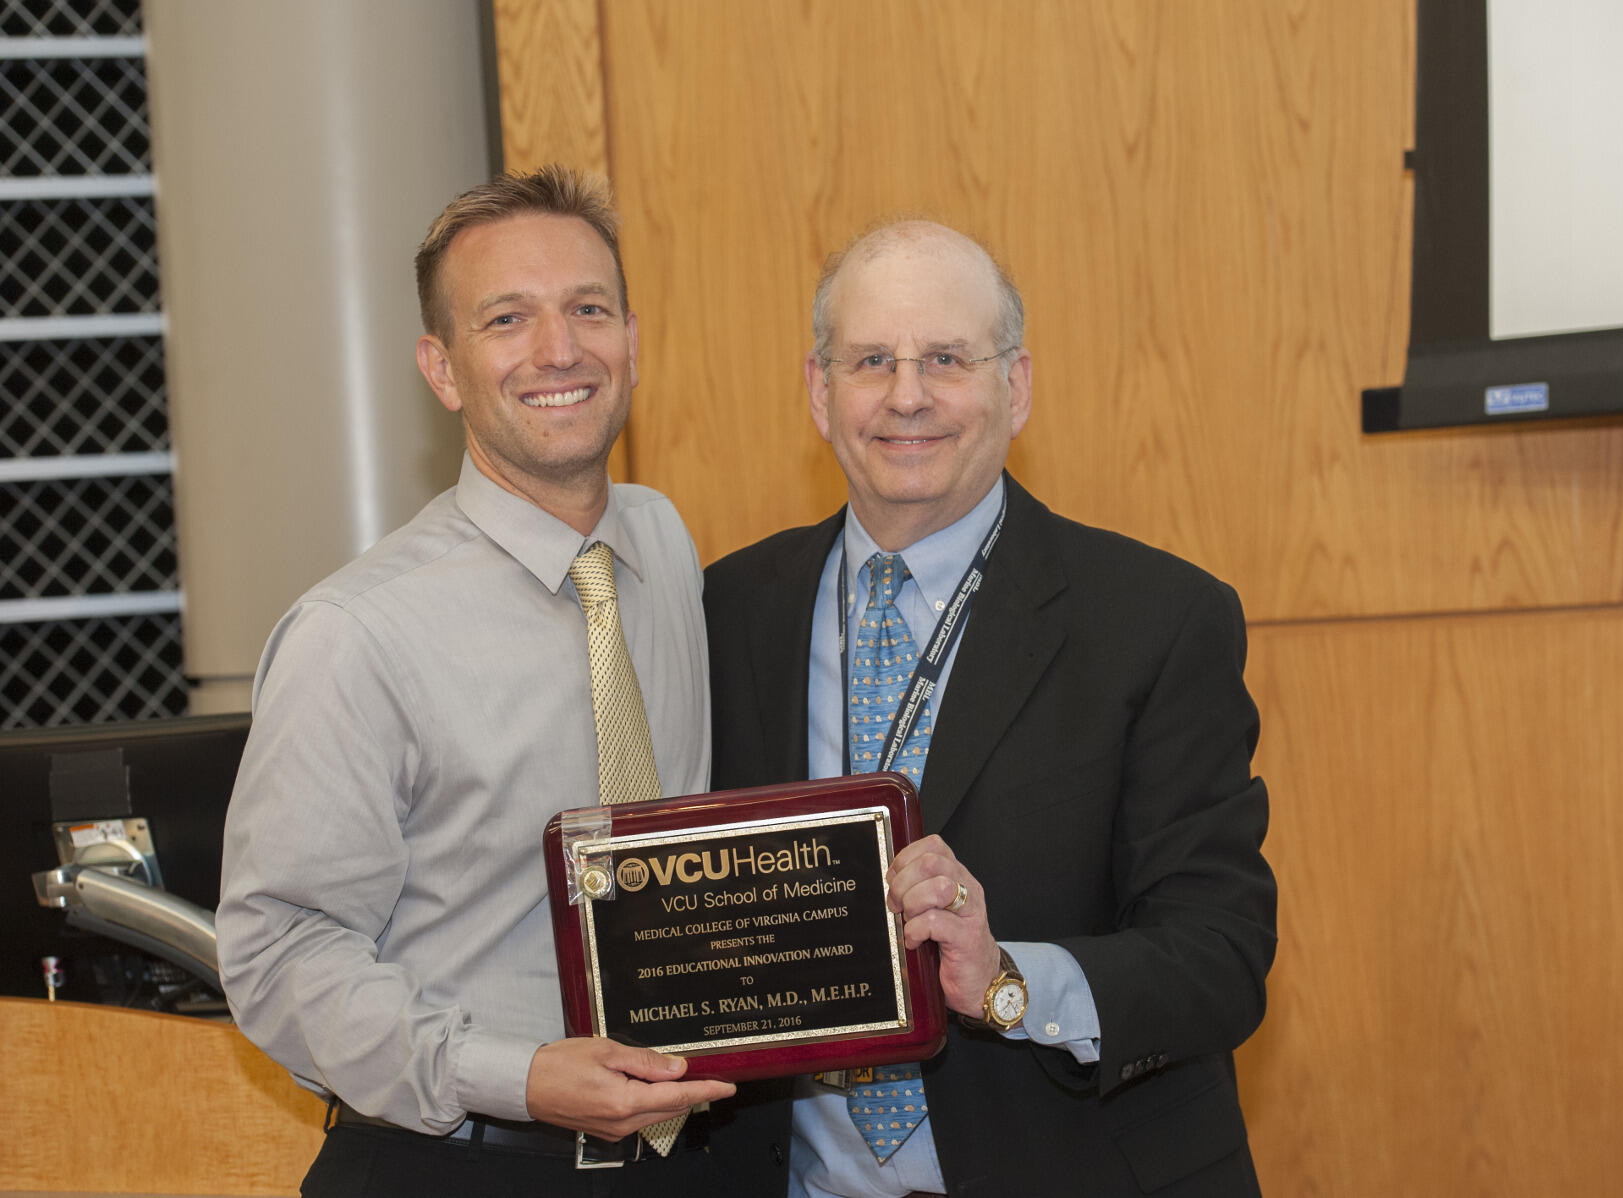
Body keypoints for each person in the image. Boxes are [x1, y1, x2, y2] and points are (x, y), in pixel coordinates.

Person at [216, 166, 789, 1196]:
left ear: (633, 341)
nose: (559, 349)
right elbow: (278, 954)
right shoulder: (355, 635)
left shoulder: (662, 544)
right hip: (457, 1163)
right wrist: (515, 1076)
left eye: (588, 309)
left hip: (689, 1161)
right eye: (507, 319)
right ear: (442, 369)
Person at [703, 220, 1277, 1196]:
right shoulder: (728, 609)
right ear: (820, 391)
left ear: (1015, 387)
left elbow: (1219, 957)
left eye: (946, 358)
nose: (907, 395)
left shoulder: (1157, 619)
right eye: (872, 360)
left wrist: (1007, 980)